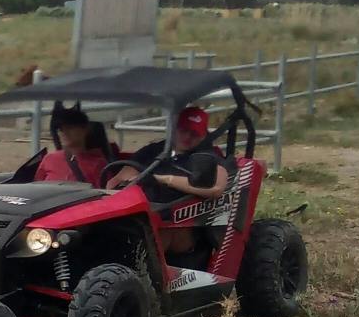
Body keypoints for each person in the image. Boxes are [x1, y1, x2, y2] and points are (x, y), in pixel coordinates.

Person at [106, 105, 230, 256]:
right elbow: (120, 178)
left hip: (181, 223)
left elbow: (216, 187)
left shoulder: (207, 156)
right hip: (142, 215)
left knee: (154, 230)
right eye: (184, 130)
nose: (187, 137)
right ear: (174, 129)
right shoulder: (155, 150)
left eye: (194, 134)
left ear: (204, 136)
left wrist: (165, 179)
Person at [34, 102, 111, 186]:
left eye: (69, 128)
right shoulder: (49, 159)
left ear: (85, 129)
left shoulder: (98, 164)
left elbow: (105, 195)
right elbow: (36, 187)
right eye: (61, 129)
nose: (64, 132)